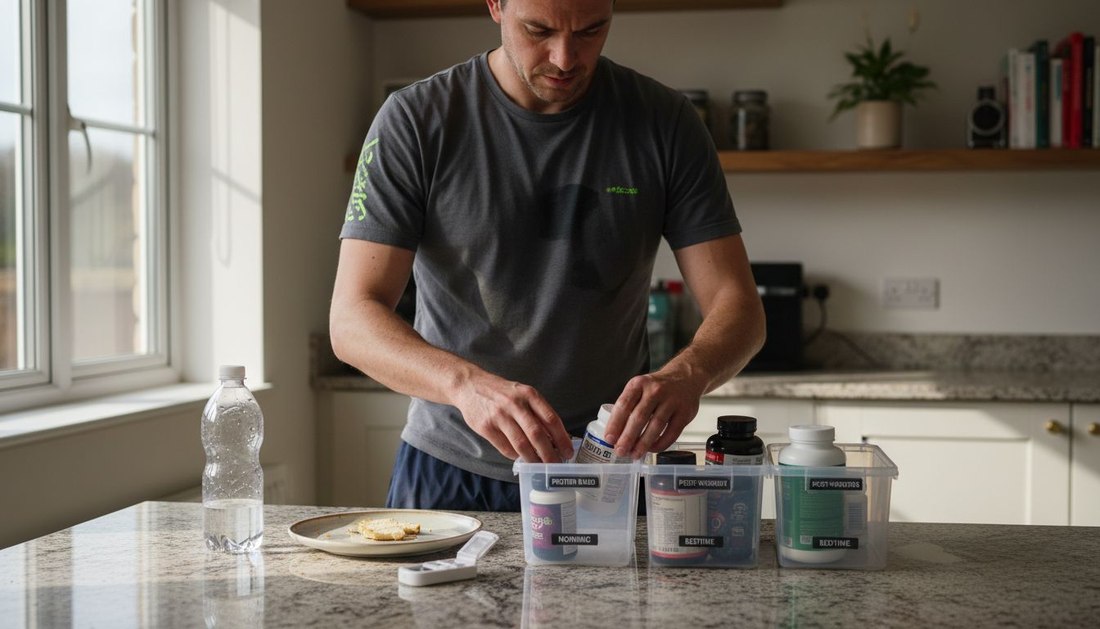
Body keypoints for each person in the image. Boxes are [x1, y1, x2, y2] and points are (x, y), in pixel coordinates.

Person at [330, 0, 765, 511]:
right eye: (538, 30)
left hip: (608, 472)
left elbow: (739, 304)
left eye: (591, 30)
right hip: (452, 466)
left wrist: (687, 375)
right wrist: (465, 385)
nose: (564, 58)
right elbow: (351, 319)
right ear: (496, 5)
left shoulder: (665, 122)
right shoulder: (415, 120)